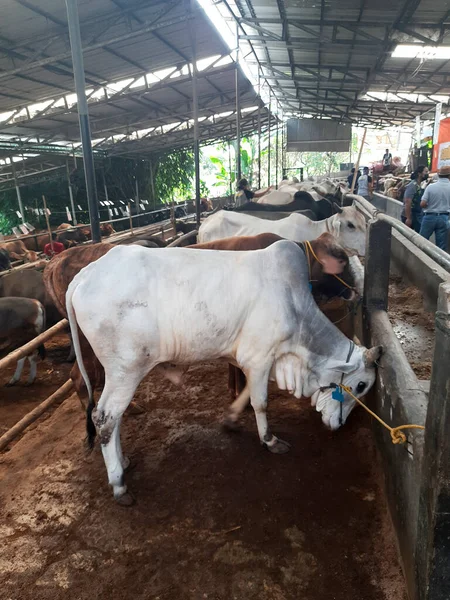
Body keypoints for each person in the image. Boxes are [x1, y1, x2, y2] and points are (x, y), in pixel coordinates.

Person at [419, 165, 450, 250]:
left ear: (438, 175)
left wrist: (431, 205)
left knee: (422, 241)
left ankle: (421, 259)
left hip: (429, 217)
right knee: (441, 245)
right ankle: (438, 262)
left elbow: (422, 204)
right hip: (444, 218)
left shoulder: (431, 187)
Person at [401, 165, 429, 233]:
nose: (427, 173)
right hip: (411, 215)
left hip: (417, 214)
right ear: (419, 174)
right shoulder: (412, 185)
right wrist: (408, 218)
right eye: (426, 172)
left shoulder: (419, 185)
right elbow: (408, 202)